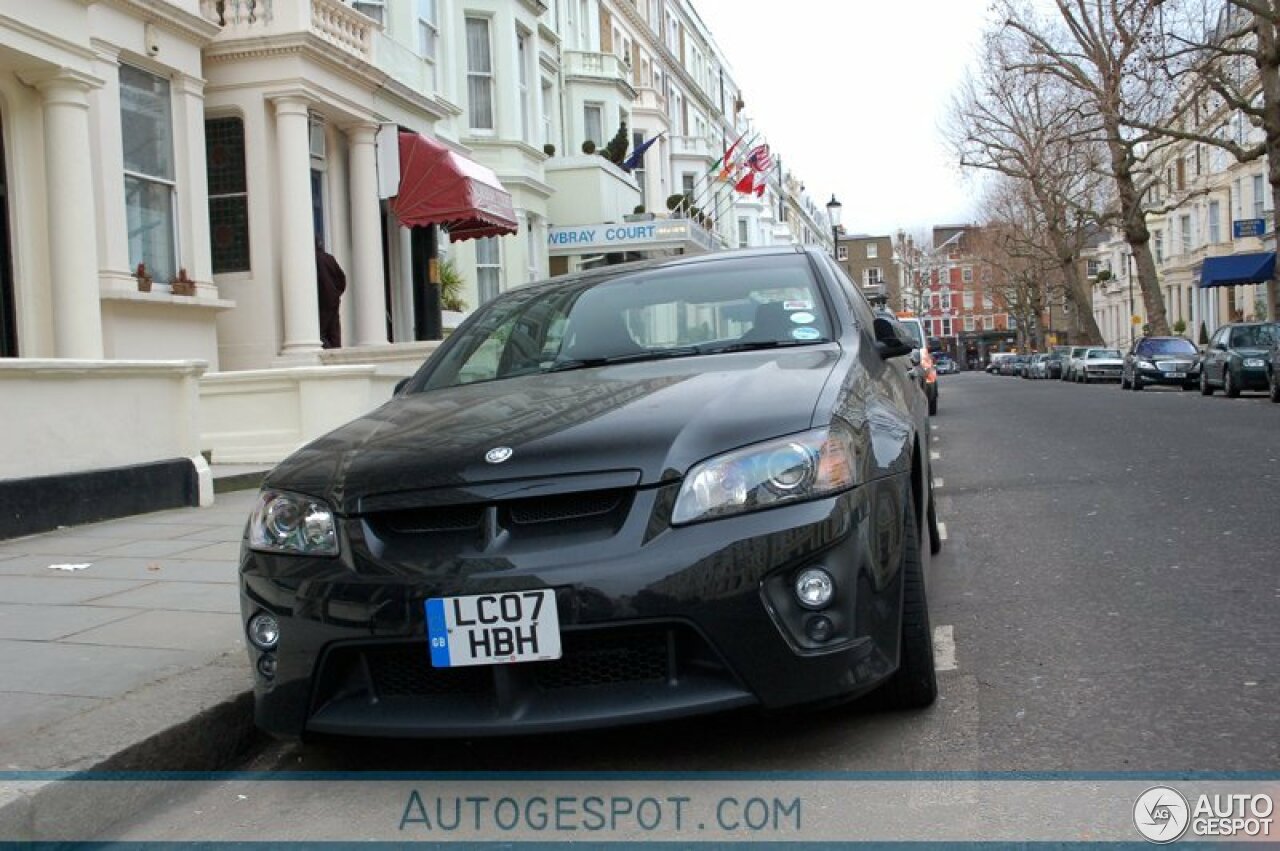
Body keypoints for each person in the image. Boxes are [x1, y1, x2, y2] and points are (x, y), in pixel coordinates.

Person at [315, 237, 346, 349]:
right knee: (334, 332)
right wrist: (336, 293)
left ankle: (330, 353)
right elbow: (342, 279)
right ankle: (336, 355)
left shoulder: (311, 260)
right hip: (333, 300)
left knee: (319, 334)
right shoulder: (329, 258)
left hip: (321, 301)